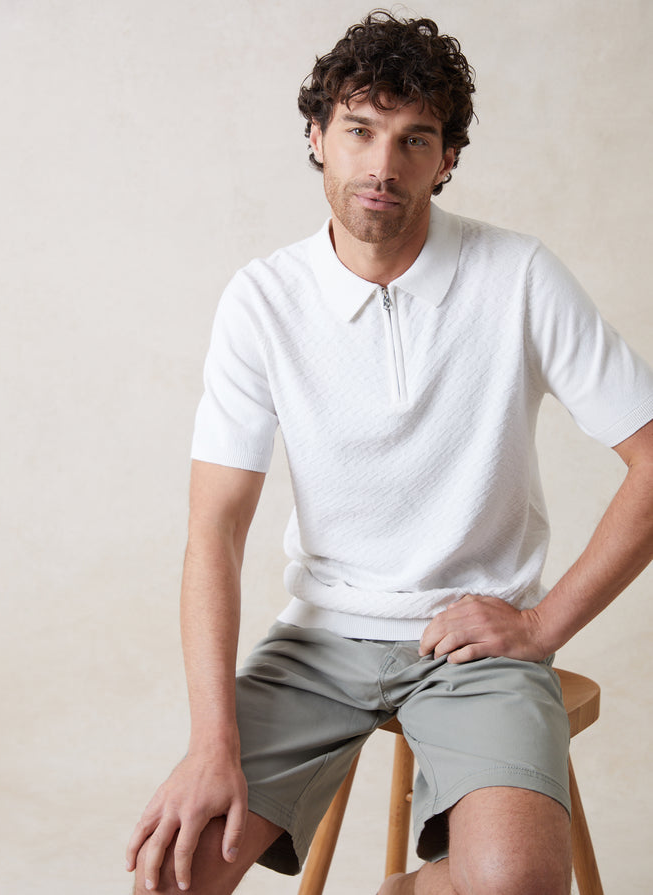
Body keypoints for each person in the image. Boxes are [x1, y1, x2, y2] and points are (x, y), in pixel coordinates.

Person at [126, 11, 653, 895]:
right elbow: (214, 529)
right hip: (319, 640)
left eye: (415, 139)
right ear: (317, 136)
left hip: (475, 647)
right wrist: (210, 743)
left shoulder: (519, 276)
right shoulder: (263, 300)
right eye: (360, 130)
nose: (383, 165)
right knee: (167, 877)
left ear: (447, 159)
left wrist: (540, 627)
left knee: (517, 885)